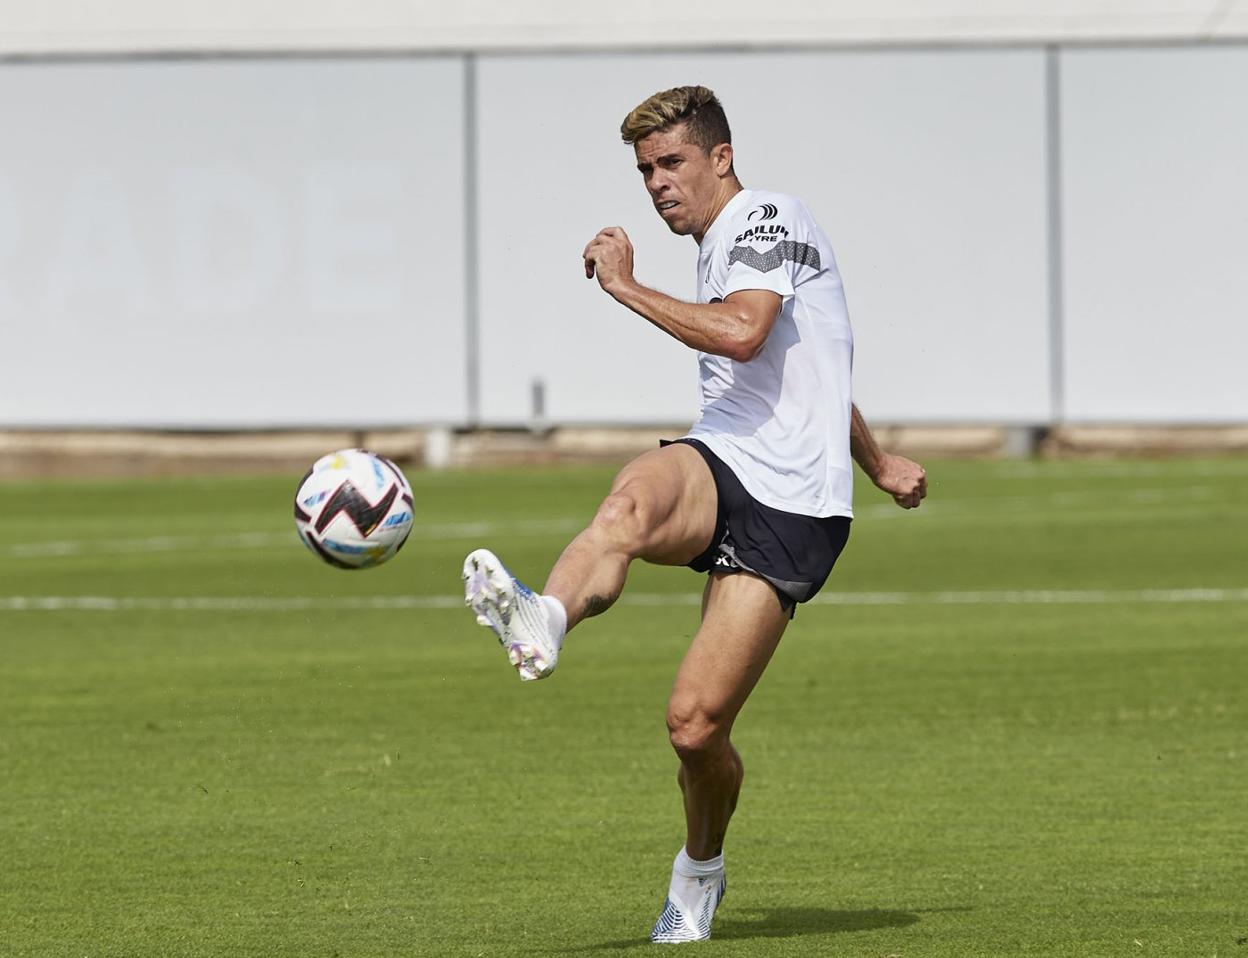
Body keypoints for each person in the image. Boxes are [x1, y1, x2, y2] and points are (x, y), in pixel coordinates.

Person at [462, 85, 927, 944]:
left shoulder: (764, 217)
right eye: (645, 170)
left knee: (694, 726)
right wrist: (881, 457)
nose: (657, 183)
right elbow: (807, 367)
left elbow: (747, 336)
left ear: (721, 157)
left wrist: (627, 286)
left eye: (671, 162)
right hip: (725, 459)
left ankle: (700, 870)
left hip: (794, 508)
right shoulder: (723, 243)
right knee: (631, 502)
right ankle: (545, 617)